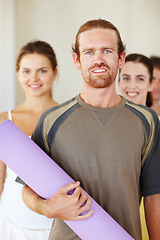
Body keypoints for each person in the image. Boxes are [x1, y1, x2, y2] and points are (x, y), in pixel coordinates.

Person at [22, 19, 160, 240]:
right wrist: (48, 208)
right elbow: (28, 187)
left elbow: (154, 197)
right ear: (76, 60)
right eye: (89, 52)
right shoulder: (51, 120)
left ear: (121, 58)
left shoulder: (147, 120)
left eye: (107, 51)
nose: (98, 59)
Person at [0, 40, 58, 240]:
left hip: (58, 224)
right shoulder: (3, 120)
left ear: (54, 73)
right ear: (18, 74)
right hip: (10, 223)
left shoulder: (69, 116)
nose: (33, 78)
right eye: (26, 71)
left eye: (42, 71)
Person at [118, 53, 154, 240]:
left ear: (150, 84)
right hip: (110, 220)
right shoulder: (105, 125)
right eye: (126, 78)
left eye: (140, 79)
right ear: (118, 82)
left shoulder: (156, 127)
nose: (132, 86)